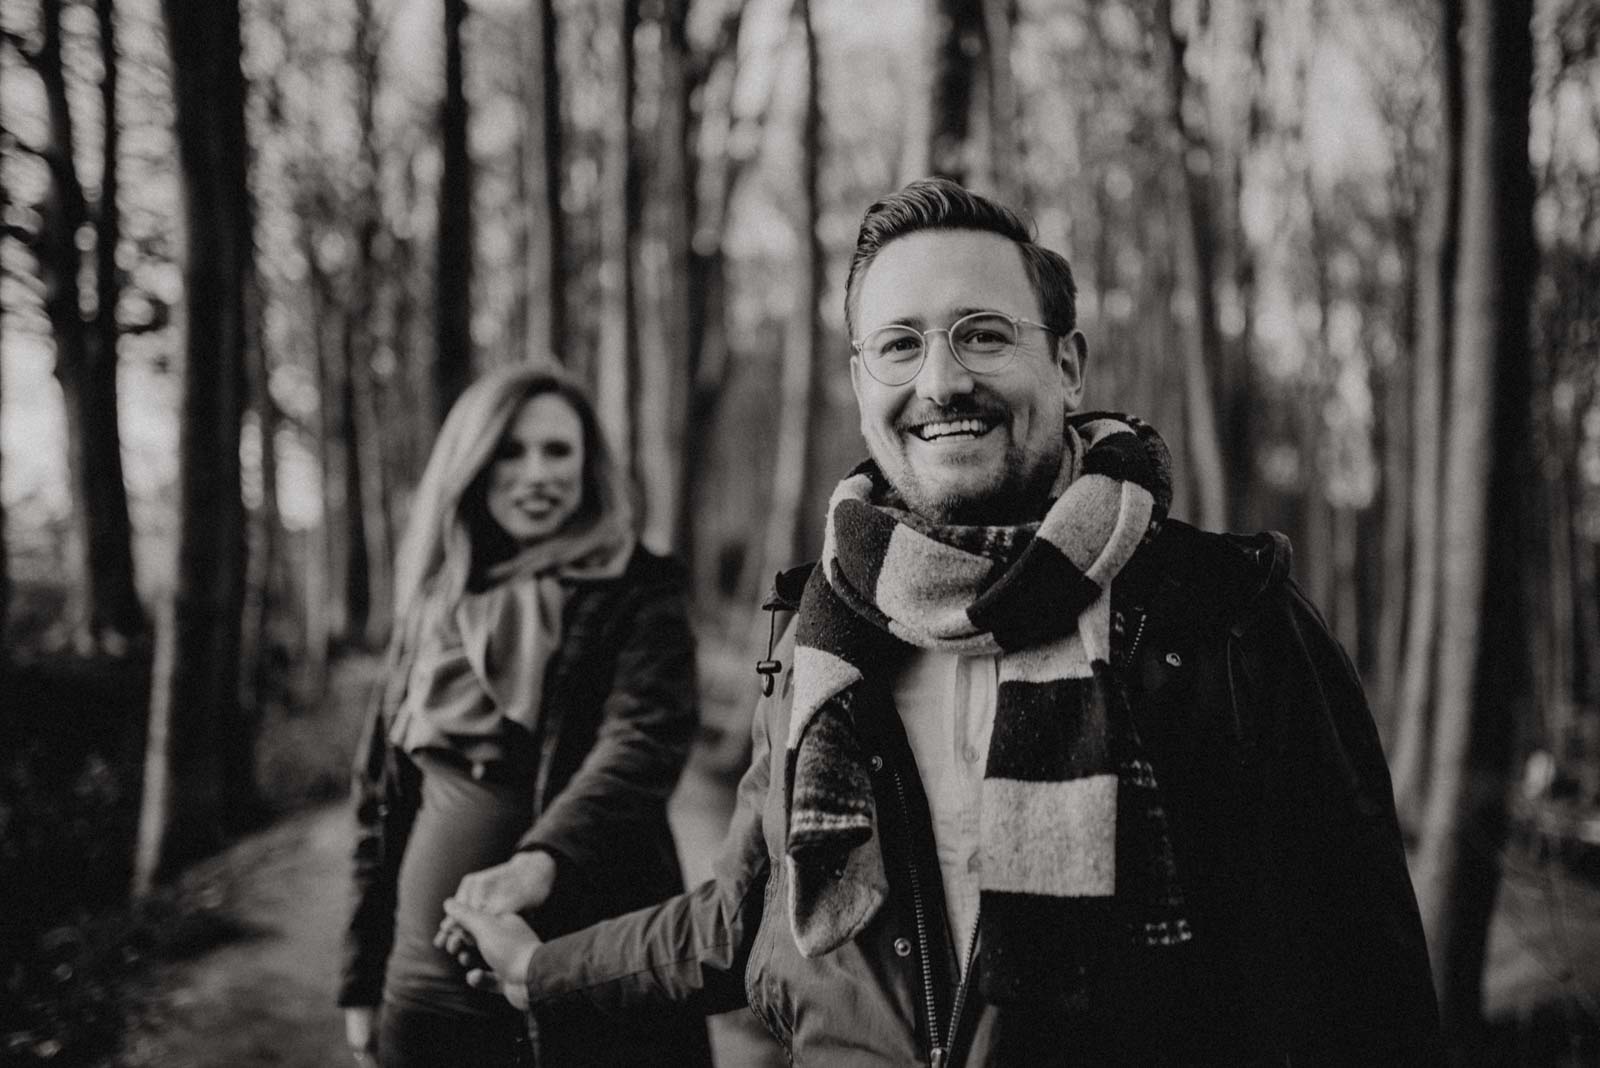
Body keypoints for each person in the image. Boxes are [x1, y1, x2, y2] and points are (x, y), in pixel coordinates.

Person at [439, 179, 1444, 1065]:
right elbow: (747, 914)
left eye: (983, 333)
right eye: (900, 344)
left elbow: (1361, 989)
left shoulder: (1223, 617)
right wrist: (543, 973)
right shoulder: (813, 634)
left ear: (1068, 364)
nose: (941, 379)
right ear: (859, 383)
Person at [338, 363, 713, 1067]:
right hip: (422, 990)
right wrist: (359, 979)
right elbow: (377, 797)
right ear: (473, 464)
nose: (536, 473)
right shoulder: (434, 602)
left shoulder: (639, 588)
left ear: (588, 464)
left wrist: (540, 863)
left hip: (585, 966)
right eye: (511, 451)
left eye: (557, 450)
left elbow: (643, 738)